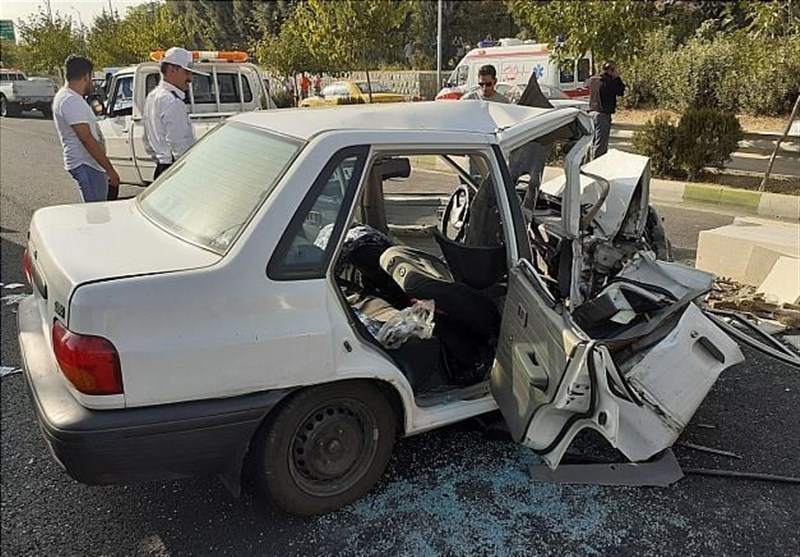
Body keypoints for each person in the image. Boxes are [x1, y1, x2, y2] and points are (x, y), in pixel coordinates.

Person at [52, 55, 120, 202]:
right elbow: (87, 139)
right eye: (92, 76)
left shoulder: (72, 98)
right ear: (86, 76)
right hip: (86, 164)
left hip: (89, 164)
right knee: (97, 213)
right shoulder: (70, 100)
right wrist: (110, 170)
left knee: (97, 212)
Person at [143, 47, 208, 180]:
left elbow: (147, 140)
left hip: (162, 167)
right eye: (187, 72)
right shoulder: (172, 101)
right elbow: (178, 144)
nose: (191, 78)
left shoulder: (153, 96)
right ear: (172, 70)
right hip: (175, 169)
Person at [585, 61, 626, 160]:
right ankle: (596, 166)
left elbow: (585, 84)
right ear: (611, 70)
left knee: (591, 141)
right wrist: (617, 78)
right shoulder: (610, 82)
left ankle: (587, 163)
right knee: (601, 143)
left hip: (591, 113)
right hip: (602, 114)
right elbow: (621, 91)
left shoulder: (593, 80)